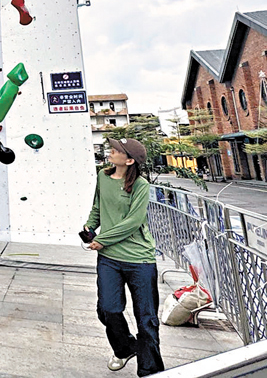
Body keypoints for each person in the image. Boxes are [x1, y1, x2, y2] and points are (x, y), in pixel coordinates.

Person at [86, 138, 164, 376]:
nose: (111, 151)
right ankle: (125, 348)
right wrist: (90, 227)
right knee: (107, 309)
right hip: (109, 258)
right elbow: (98, 207)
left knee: (146, 319)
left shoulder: (140, 185)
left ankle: (150, 371)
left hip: (139, 259)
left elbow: (133, 221)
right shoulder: (103, 176)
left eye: (117, 150)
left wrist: (103, 239)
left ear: (129, 160)